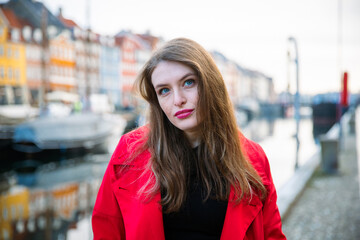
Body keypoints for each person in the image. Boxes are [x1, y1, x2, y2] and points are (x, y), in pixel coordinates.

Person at [92, 38, 286, 240]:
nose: (178, 100)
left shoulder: (253, 158)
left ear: (211, 84)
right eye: (164, 90)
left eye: (188, 82)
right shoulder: (130, 151)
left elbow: (271, 235)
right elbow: (106, 230)